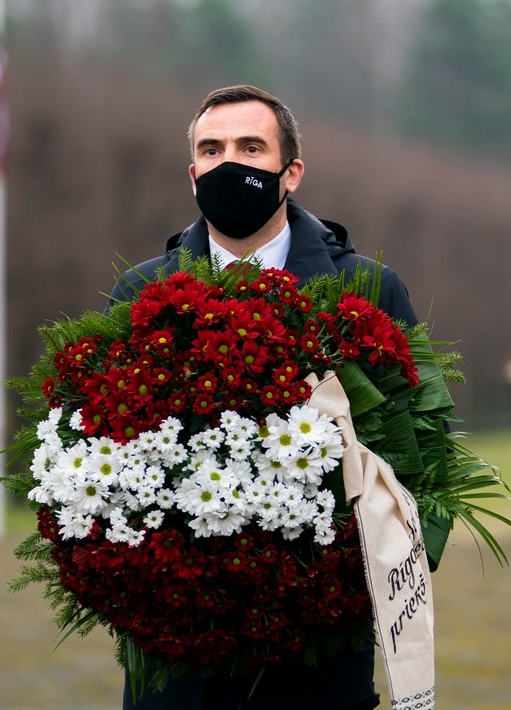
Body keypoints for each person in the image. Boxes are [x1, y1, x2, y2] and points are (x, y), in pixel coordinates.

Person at [112, 85, 420, 710]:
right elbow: (104, 446)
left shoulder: (367, 288)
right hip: (178, 647)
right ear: (192, 172)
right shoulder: (141, 291)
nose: (231, 163)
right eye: (212, 149)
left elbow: (416, 458)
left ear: (292, 172)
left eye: (252, 147)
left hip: (317, 645)